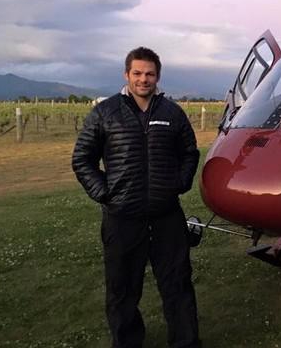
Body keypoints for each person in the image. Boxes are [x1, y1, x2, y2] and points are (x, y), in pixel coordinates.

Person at [72, 47, 201, 348]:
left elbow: (189, 153)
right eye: (138, 73)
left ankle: (186, 341)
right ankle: (127, 341)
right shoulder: (105, 112)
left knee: (177, 285)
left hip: (166, 216)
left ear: (158, 76)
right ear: (126, 74)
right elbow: (82, 159)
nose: (144, 79)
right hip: (122, 218)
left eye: (150, 74)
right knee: (122, 289)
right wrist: (105, 193)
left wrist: (179, 183)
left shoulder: (172, 113)